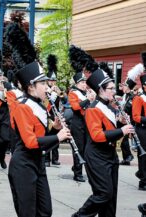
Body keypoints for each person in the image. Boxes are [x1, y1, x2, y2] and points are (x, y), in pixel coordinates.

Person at [5, 23, 71, 217]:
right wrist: (57, 137)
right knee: (28, 213)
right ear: (31, 86)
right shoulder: (22, 106)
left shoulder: (41, 105)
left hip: (38, 163)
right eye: (43, 83)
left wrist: (54, 130)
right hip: (23, 165)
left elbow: (42, 141)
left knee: (45, 211)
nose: (47, 87)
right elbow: (31, 142)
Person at [72, 68, 134, 217]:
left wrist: (120, 124)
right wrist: (122, 130)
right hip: (96, 156)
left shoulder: (110, 108)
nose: (114, 91)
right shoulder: (93, 109)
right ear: (101, 90)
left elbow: (110, 133)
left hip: (110, 155)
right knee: (104, 193)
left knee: (111, 198)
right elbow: (97, 136)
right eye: (111, 88)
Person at [67, 45, 96, 182]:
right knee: (78, 148)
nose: (85, 84)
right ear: (77, 84)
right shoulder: (73, 93)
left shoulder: (87, 93)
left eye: (85, 82)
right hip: (78, 123)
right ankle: (77, 173)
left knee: (87, 148)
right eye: (82, 82)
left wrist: (94, 99)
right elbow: (75, 107)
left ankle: (81, 169)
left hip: (88, 122)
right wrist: (87, 100)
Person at [118, 66, 139, 165]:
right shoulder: (124, 96)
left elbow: (127, 108)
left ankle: (129, 156)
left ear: (128, 87)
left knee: (124, 140)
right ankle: (127, 158)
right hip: (125, 120)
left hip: (131, 121)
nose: (123, 87)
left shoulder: (132, 97)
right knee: (123, 141)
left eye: (124, 85)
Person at [132, 62, 146, 191]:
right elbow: (135, 116)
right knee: (143, 155)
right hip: (142, 129)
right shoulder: (139, 98)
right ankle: (143, 180)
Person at [45, 54, 61, 166]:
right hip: (47, 115)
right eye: (51, 80)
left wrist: (58, 92)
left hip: (55, 115)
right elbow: (45, 103)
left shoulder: (58, 89)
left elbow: (64, 100)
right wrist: (51, 92)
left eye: (54, 80)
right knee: (47, 136)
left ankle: (55, 158)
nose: (53, 82)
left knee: (56, 137)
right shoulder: (45, 90)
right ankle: (46, 159)